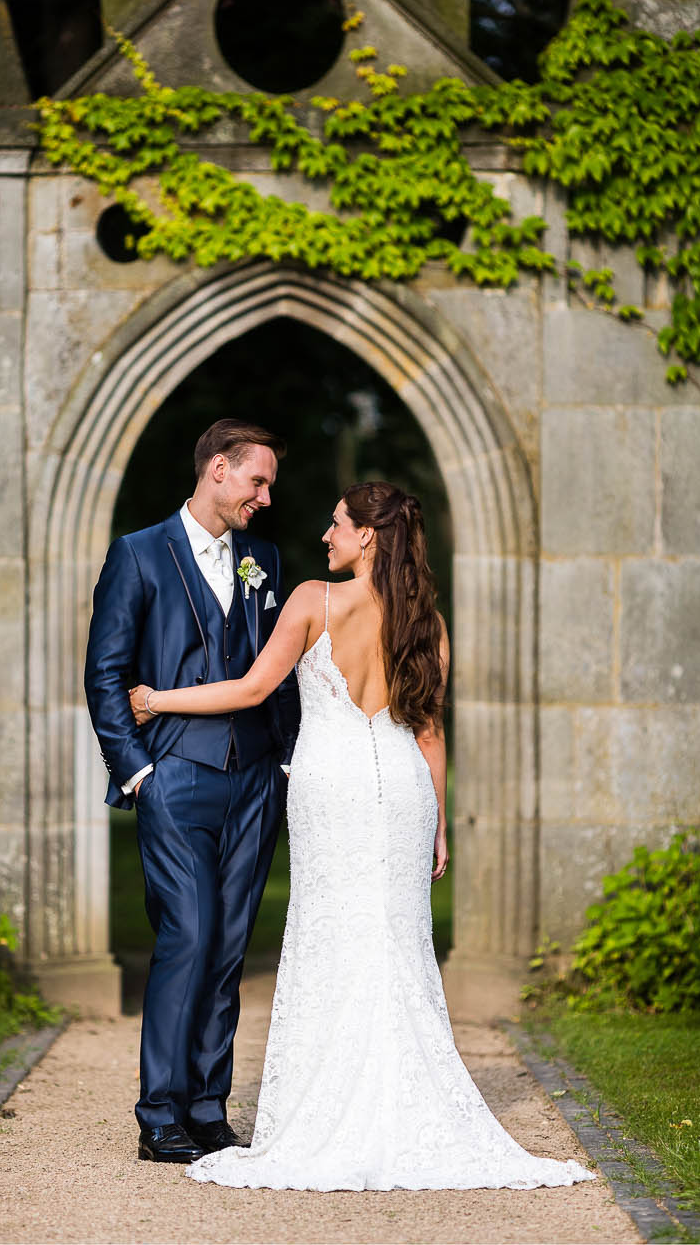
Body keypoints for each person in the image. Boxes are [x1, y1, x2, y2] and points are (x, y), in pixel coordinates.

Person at [127, 480, 592, 1192]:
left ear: (368, 536)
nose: (326, 536)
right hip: (403, 791)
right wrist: (437, 823)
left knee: (334, 938)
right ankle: (402, 1106)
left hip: (332, 789)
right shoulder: (429, 623)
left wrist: (158, 699)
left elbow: (252, 689)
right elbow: (430, 731)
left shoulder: (315, 599)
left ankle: (335, 1109)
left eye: (337, 524)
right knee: (396, 941)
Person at [85, 418, 300, 1164]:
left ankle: (209, 1107)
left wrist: (284, 763)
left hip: (253, 784)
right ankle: (160, 1112)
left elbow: (276, 676)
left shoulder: (262, 561)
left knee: (231, 945)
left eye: (267, 484)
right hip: (174, 777)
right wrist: (138, 770)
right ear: (217, 470)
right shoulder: (139, 555)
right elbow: (106, 673)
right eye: (257, 481)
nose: (266, 497)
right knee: (189, 934)